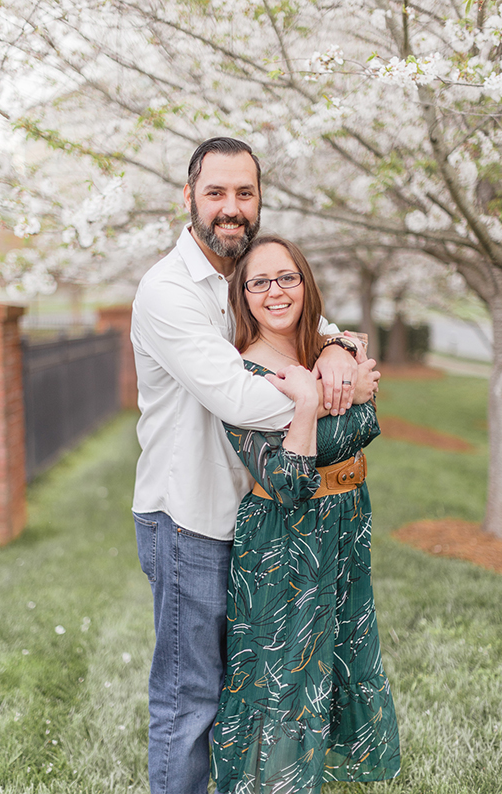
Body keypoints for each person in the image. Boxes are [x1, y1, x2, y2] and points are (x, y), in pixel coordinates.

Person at [131, 137, 364, 794]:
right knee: (190, 705)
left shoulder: (250, 274)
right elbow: (237, 396)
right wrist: (323, 393)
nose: (231, 208)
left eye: (244, 193)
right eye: (216, 193)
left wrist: (340, 347)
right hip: (191, 522)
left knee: (250, 705)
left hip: (258, 526)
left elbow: (314, 323)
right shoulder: (167, 290)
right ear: (189, 198)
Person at [209, 235, 398, 792]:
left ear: (305, 282)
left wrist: (338, 356)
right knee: (283, 680)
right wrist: (317, 403)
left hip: (344, 524)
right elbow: (287, 481)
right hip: (282, 539)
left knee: (337, 660)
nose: (275, 291)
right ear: (242, 297)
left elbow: (370, 423)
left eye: (286, 277)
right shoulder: (241, 375)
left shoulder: (322, 349)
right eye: (259, 282)